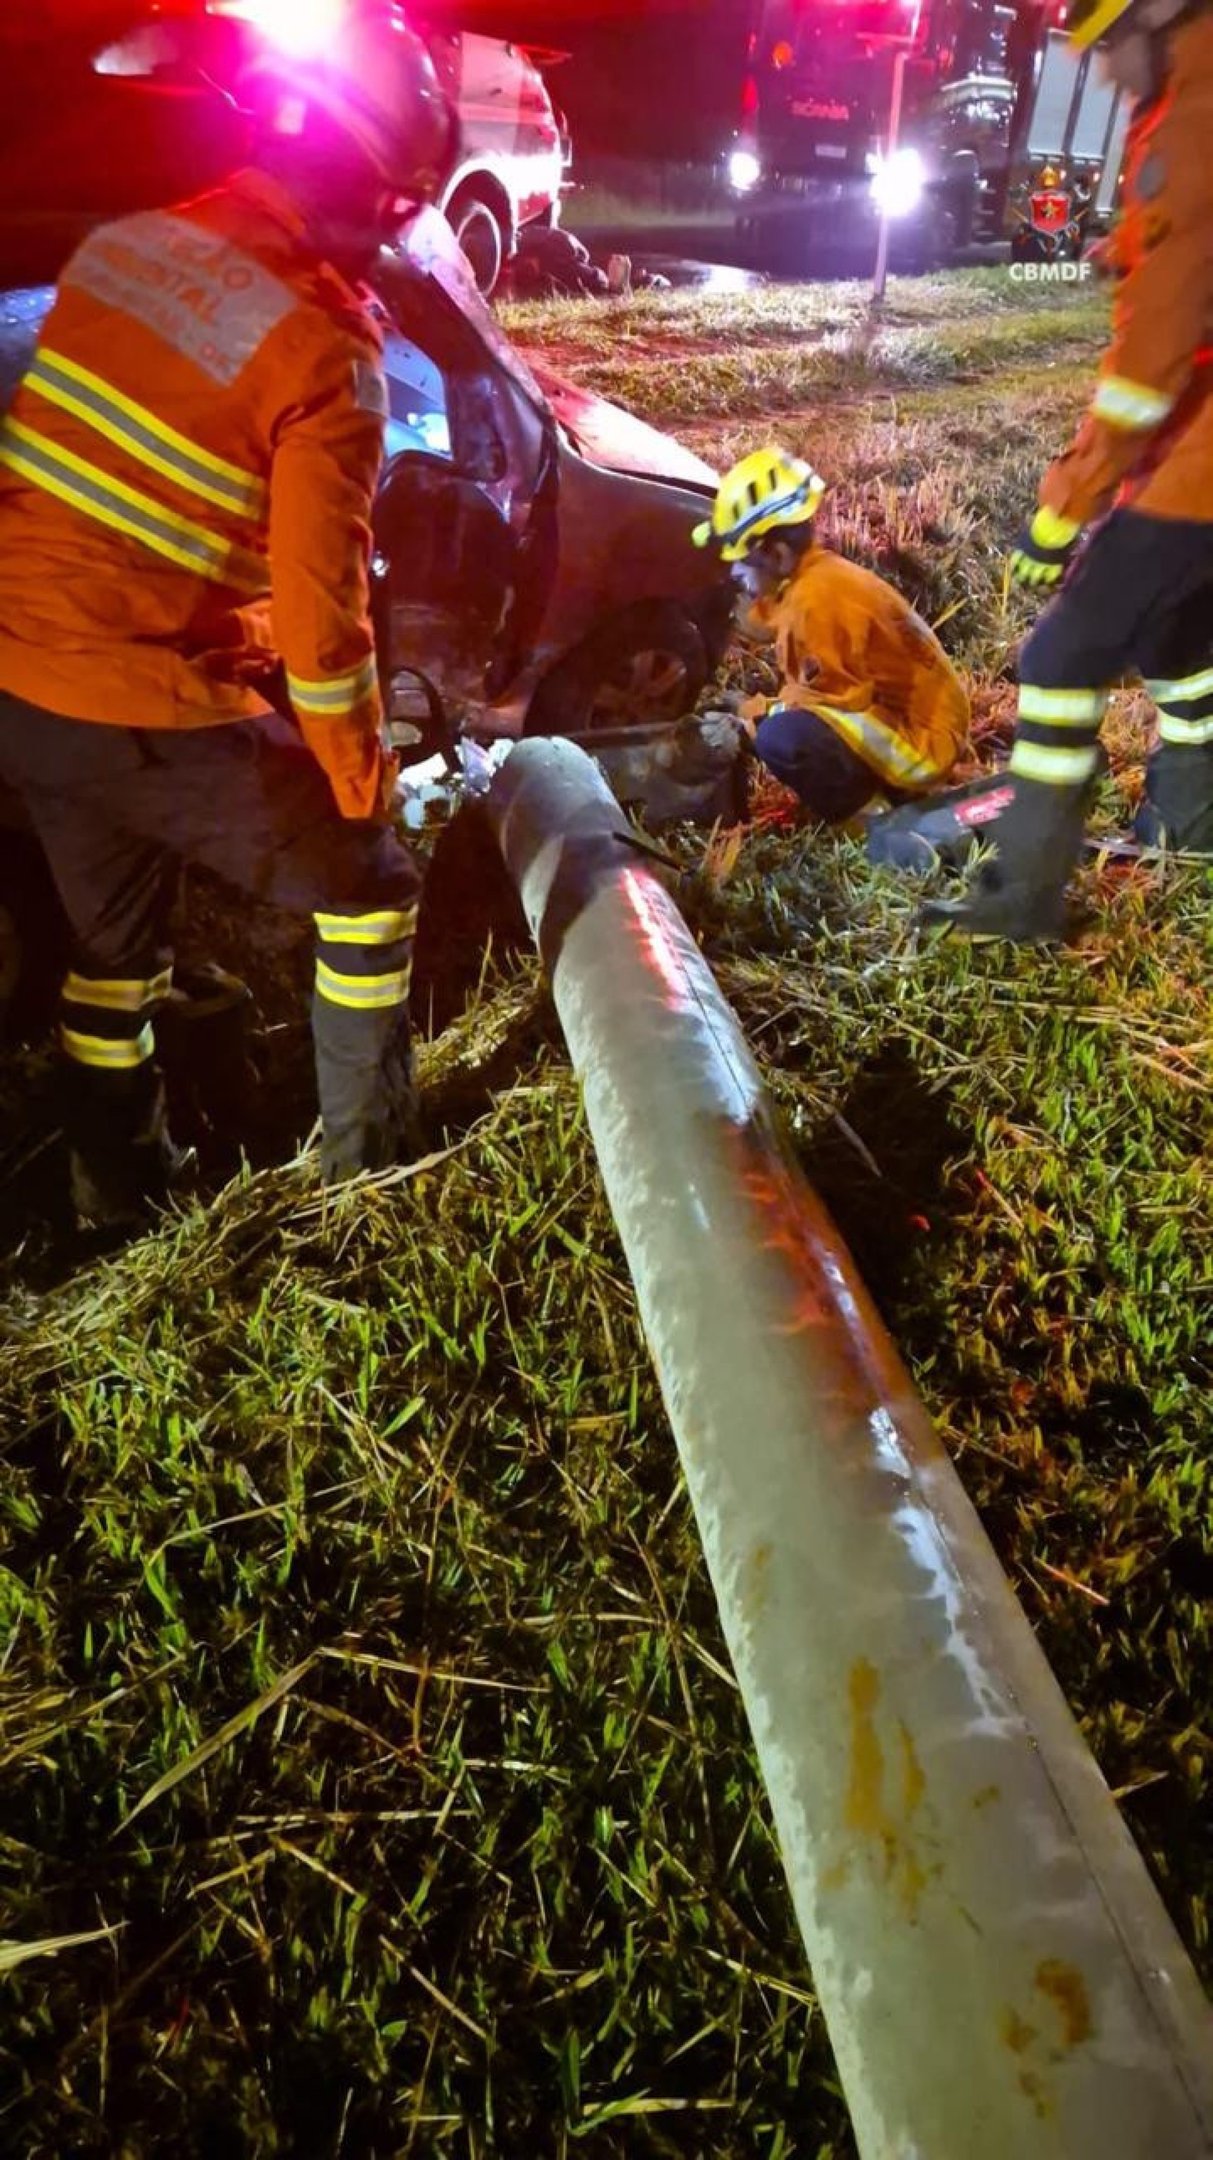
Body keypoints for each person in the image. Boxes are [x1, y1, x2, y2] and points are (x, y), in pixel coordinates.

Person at [0, 2, 455, 1226]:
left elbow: (100, 502)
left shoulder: (128, 248)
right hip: (130, 701)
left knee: (110, 966)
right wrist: (362, 783)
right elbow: (326, 622)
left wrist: (226, 635)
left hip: (21, 690)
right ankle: (372, 1181)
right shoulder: (325, 354)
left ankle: (119, 1196)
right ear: (381, 190)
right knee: (368, 888)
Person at [929, 0, 1213, 941]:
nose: (1098, 71)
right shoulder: (1192, 103)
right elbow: (1186, 256)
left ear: (1158, 17)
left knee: (1057, 660)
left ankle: (1019, 904)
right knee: (1179, 648)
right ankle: (1192, 825)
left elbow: (1149, 368)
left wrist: (1061, 510)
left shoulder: (1193, 121)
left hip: (1200, 472)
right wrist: (1127, 248)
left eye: (1106, 46)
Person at [693, 449, 969, 823]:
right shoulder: (814, 578)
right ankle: (879, 789)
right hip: (912, 720)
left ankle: (874, 822)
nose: (736, 574)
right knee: (781, 725)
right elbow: (772, 618)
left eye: (743, 561)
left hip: (921, 742)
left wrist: (752, 714)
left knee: (783, 737)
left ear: (776, 555)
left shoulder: (816, 601)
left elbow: (831, 703)